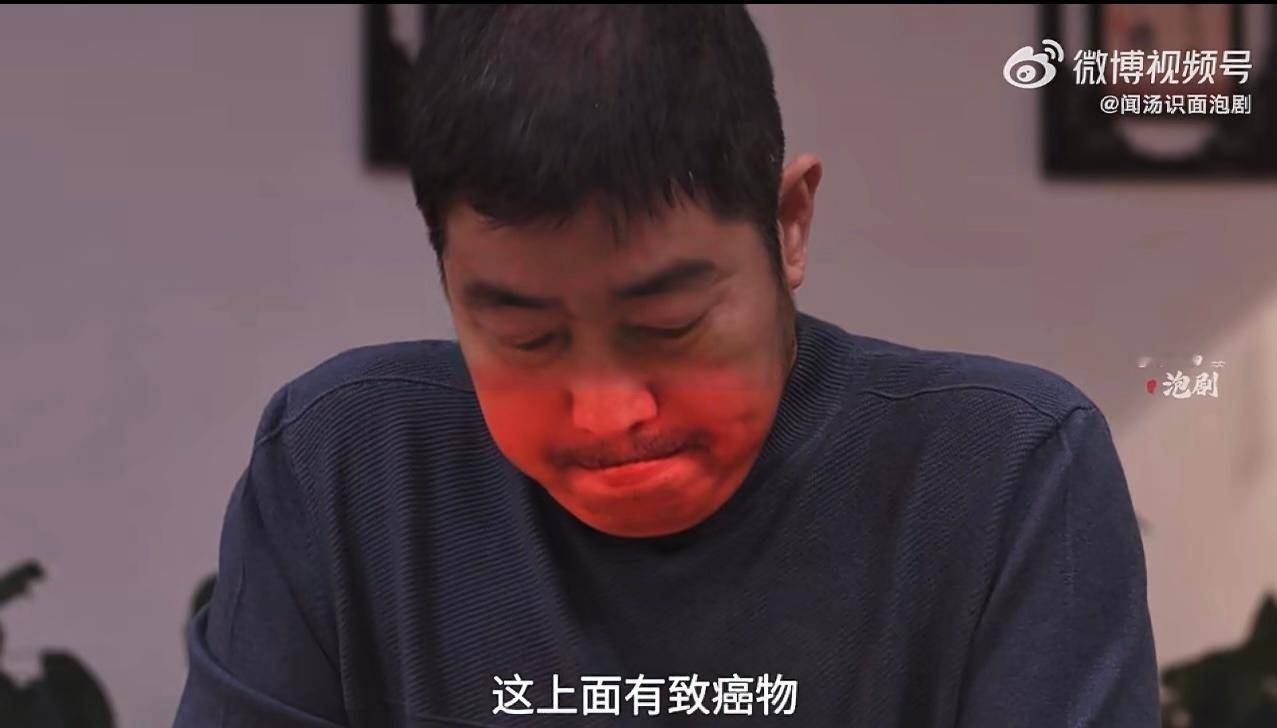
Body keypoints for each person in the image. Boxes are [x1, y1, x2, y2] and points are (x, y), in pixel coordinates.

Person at [174, 5, 1159, 726]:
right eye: (526, 337)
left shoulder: (1002, 470)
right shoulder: (346, 464)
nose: (607, 411)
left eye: (668, 324)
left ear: (788, 224)